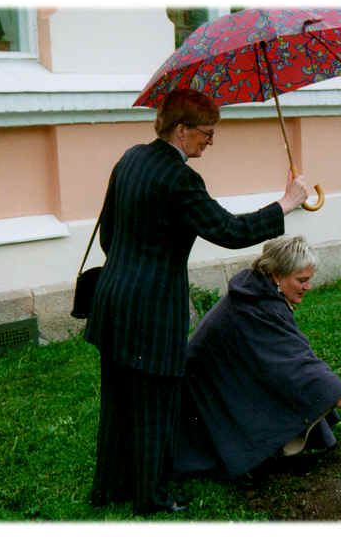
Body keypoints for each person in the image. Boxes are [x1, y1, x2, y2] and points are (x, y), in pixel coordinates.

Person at [83, 89, 309, 515]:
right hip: (152, 308)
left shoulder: (130, 158)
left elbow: (109, 233)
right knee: (156, 401)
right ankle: (151, 497)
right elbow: (227, 231)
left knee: (118, 400)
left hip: (113, 300)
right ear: (181, 129)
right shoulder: (181, 177)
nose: (210, 141)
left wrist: (133, 265)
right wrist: (286, 204)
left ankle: (109, 487)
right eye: (206, 133)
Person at [173, 236, 341, 480]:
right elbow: (306, 372)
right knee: (301, 383)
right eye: (301, 281)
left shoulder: (259, 290)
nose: (308, 287)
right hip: (201, 392)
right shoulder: (260, 308)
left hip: (222, 375)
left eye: (309, 280)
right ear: (276, 275)